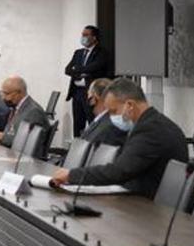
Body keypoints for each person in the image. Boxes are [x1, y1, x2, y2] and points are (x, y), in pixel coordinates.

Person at [52, 78, 186, 198]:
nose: (111, 118)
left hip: (152, 208)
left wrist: (71, 175)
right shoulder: (152, 123)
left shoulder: (150, 130)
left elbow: (119, 171)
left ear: (130, 105)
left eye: (113, 111)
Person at [64, 25, 111, 137]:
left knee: (92, 122)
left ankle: (91, 146)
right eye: (82, 35)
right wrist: (82, 72)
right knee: (78, 124)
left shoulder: (101, 53)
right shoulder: (78, 53)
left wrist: (77, 69)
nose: (83, 37)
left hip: (91, 93)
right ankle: (77, 146)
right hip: (77, 93)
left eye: (86, 35)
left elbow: (94, 68)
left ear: (94, 37)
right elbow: (68, 70)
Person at [0, 75, 49, 148]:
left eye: (7, 94)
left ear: (19, 93)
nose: (3, 97)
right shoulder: (16, 107)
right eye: (2, 93)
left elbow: (26, 141)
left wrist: (3, 137)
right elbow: (11, 133)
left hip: (21, 154)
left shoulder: (33, 111)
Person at [80, 78, 128, 148]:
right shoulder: (100, 120)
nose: (87, 99)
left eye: (89, 94)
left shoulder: (111, 127)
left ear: (95, 96)